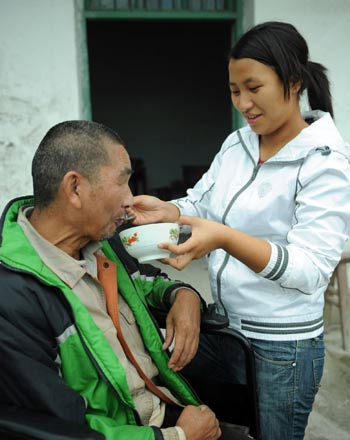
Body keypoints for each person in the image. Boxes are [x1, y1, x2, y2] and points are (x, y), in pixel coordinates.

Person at [126, 21, 350, 440]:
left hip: (285, 350)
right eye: (234, 90)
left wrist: (223, 237)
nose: (244, 103)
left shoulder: (325, 164)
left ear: (294, 82)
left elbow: (309, 269)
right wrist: (169, 210)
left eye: (254, 87)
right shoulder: (238, 144)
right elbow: (202, 203)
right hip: (229, 330)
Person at [0, 120, 254, 440]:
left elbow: (145, 281)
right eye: (123, 182)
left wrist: (183, 295)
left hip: (165, 407)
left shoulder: (102, 245)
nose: (130, 199)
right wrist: (176, 436)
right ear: (75, 188)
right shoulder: (12, 297)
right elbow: (60, 429)